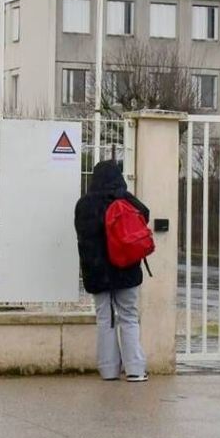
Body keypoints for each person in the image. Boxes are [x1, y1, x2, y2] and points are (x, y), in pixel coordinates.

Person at [74, 159, 149, 382]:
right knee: (129, 317)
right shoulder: (125, 199)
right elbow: (145, 214)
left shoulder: (84, 204)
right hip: (126, 267)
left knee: (105, 319)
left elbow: (82, 236)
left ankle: (108, 370)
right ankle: (135, 369)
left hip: (97, 271)